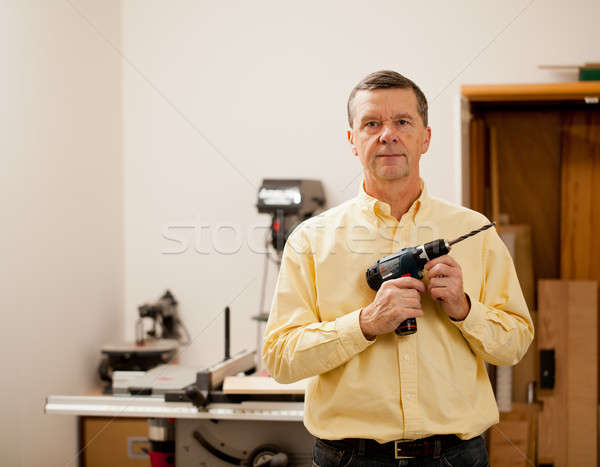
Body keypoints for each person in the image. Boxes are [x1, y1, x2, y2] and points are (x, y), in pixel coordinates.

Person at [262, 70, 533, 466]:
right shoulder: (311, 240)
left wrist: (464, 309)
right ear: (352, 140)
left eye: (402, 122)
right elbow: (280, 359)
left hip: (456, 457)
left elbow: (515, 345)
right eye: (372, 123)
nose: (387, 134)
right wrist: (365, 324)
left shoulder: (473, 231)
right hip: (349, 458)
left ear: (425, 137)